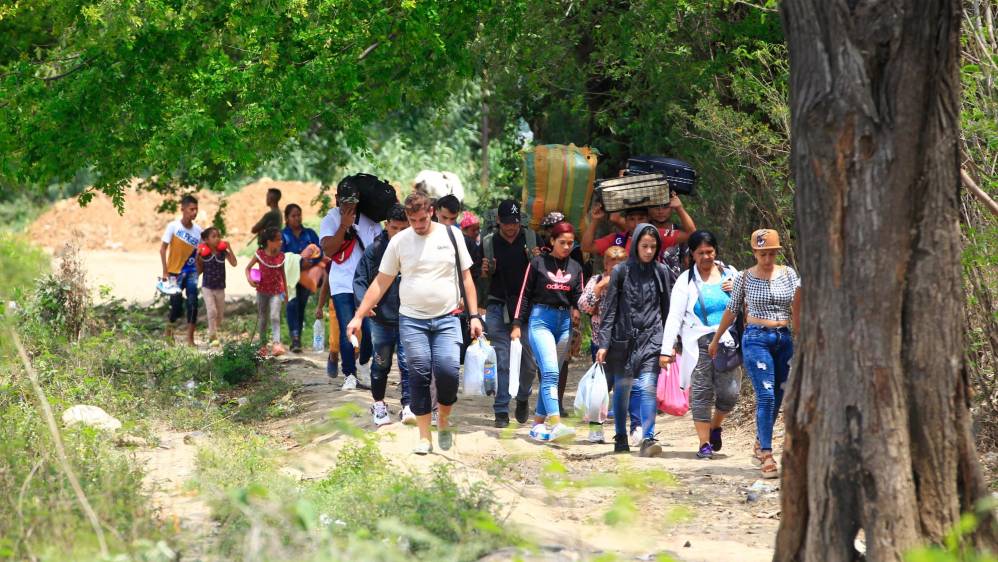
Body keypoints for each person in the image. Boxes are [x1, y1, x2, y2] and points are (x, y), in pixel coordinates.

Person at [347, 191, 484, 455]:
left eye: (422, 219)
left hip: (447, 318)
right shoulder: (399, 241)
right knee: (419, 375)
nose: (418, 226)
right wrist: (359, 315)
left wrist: (475, 315)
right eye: (413, 221)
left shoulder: (451, 235)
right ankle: (424, 437)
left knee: (448, 372)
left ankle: (442, 418)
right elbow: (381, 281)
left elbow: (466, 278)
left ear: (431, 212)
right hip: (412, 321)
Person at [708, 229, 800, 479]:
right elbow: (732, 309)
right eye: (763, 254)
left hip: (784, 338)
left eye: (771, 253)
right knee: (766, 394)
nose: (767, 259)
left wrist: (801, 335)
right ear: (755, 253)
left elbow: (798, 303)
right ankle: (767, 454)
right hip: (756, 338)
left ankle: (760, 441)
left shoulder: (789, 274)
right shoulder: (744, 278)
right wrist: (717, 338)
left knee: (779, 394)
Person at [660, 230, 740, 460]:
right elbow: (674, 317)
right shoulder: (685, 281)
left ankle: (716, 425)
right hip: (699, 344)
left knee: (730, 393)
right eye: (700, 253)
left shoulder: (731, 274)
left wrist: (736, 289)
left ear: (716, 252)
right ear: (692, 255)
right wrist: (667, 351)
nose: (706, 257)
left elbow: (747, 302)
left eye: (710, 252)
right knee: (702, 393)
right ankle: (704, 443)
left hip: (727, 343)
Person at [596, 224, 672, 457]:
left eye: (653, 246)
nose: (649, 251)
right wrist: (603, 344)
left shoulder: (661, 271)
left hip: (652, 338)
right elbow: (609, 310)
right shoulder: (621, 272)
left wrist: (669, 343)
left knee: (647, 387)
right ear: (636, 245)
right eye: (644, 246)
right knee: (622, 389)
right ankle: (620, 435)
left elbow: (668, 308)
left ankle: (648, 438)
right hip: (623, 340)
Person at [511, 222, 584, 444]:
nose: (566, 247)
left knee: (552, 371)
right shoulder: (538, 263)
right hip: (540, 320)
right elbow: (524, 295)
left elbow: (578, 297)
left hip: (564, 325)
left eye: (570, 243)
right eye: (562, 242)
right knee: (551, 372)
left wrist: (577, 311)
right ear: (552, 241)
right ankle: (556, 423)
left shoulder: (575, 267)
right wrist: (516, 324)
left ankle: (537, 425)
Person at [480, 199, 540, 428]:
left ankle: (523, 397)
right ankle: (501, 409)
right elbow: (478, 276)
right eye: (506, 223)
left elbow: (543, 273)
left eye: (514, 222)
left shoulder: (532, 239)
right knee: (502, 360)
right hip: (497, 306)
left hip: (526, 308)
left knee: (529, 362)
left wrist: (536, 259)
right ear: (498, 221)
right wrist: (484, 271)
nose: (511, 227)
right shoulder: (488, 243)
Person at [354, 203, 414, 426]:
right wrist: (363, 304)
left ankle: (408, 405)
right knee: (381, 363)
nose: (398, 233)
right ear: (386, 225)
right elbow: (360, 280)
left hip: (409, 317)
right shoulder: (375, 250)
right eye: (394, 228)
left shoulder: (415, 248)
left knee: (408, 363)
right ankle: (379, 403)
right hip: (380, 319)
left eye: (403, 228)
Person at [320, 178, 382, 390]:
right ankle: (349, 374)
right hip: (341, 284)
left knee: (370, 330)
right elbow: (327, 250)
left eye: (352, 202)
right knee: (349, 328)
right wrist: (343, 227)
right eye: (344, 202)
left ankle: (362, 364)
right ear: (337, 199)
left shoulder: (371, 221)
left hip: (366, 283)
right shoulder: (330, 219)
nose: (348, 206)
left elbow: (382, 251)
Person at [578, 245, 632, 443]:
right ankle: (595, 428)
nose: (617, 269)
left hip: (626, 342)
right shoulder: (596, 280)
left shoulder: (632, 281)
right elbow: (584, 306)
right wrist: (600, 288)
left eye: (621, 265)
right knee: (600, 389)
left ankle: (627, 430)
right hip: (601, 343)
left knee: (624, 388)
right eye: (613, 265)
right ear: (606, 265)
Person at [582, 192, 695, 258]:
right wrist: (595, 220)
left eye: (641, 219)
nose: (636, 224)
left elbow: (692, 234)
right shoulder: (617, 239)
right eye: (631, 219)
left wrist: (679, 208)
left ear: (648, 219)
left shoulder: (659, 236)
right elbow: (586, 247)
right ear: (625, 221)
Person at [159, 195, 202, 346]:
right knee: (176, 305)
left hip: (191, 273)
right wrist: (165, 272)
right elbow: (163, 249)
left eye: (196, 209)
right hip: (173, 273)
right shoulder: (173, 227)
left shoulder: (199, 232)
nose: (194, 212)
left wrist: (198, 271)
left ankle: (190, 339)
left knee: (193, 303)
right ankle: (169, 333)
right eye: (191, 209)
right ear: (182, 209)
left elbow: (200, 255)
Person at [281, 203, 322, 353]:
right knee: (291, 304)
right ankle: (295, 338)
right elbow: (279, 257)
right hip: (289, 277)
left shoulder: (309, 233)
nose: (297, 218)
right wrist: (297, 261)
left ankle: (297, 338)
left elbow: (320, 252)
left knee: (301, 305)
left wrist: (309, 262)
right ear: (287, 218)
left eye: (299, 214)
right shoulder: (282, 236)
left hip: (306, 275)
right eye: (293, 215)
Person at [246, 227, 289, 355]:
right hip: (262, 291)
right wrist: (250, 280)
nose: (281, 242)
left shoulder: (281, 257)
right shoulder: (260, 254)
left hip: (276, 292)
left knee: (275, 316)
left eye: (281, 240)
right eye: (277, 240)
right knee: (263, 318)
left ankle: (276, 344)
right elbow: (247, 268)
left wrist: (286, 292)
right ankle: (262, 345)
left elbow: (283, 275)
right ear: (269, 242)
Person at [196, 227, 236, 345]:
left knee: (219, 314)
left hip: (220, 287)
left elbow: (234, 263)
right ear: (206, 240)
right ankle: (212, 335)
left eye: (218, 236)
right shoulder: (204, 254)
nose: (217, 238)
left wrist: (230, 248)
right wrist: (197, 257)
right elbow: (199, 271)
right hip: (207, 287)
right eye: (214, 236)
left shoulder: (223, 252)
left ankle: (215, 329)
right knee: (212, 311)